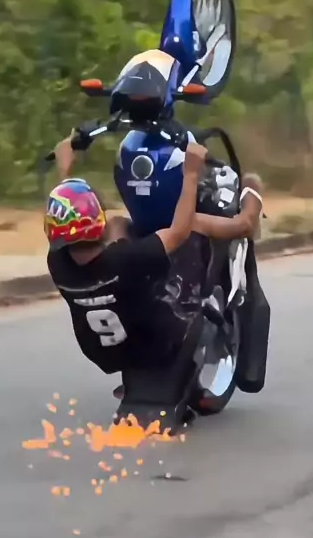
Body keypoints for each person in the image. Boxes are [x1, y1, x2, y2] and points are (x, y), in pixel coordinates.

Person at [45, 132, 269, 388]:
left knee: (119, 224)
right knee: (195, 223)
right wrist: (191, 174)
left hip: (105, 356)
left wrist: (64, 169)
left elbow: (65, 216)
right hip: (159, 347)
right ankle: (249, 207)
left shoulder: (58, 264)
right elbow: (179, 231)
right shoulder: (131, 258)